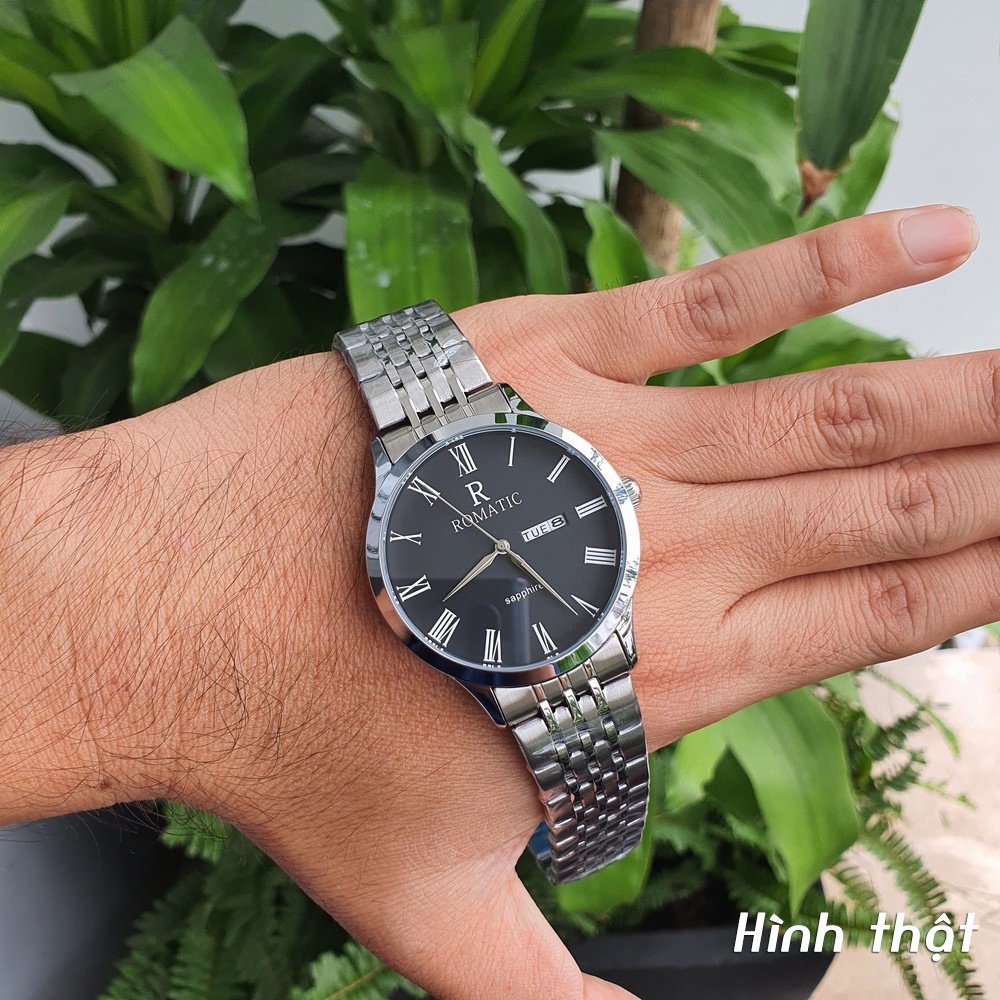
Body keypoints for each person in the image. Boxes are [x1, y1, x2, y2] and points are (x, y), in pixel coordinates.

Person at [0, 205, 985, 1000]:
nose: (508, 549)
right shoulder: (405, 587)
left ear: (616, 496)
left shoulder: (591, 519)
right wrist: (128, 608)